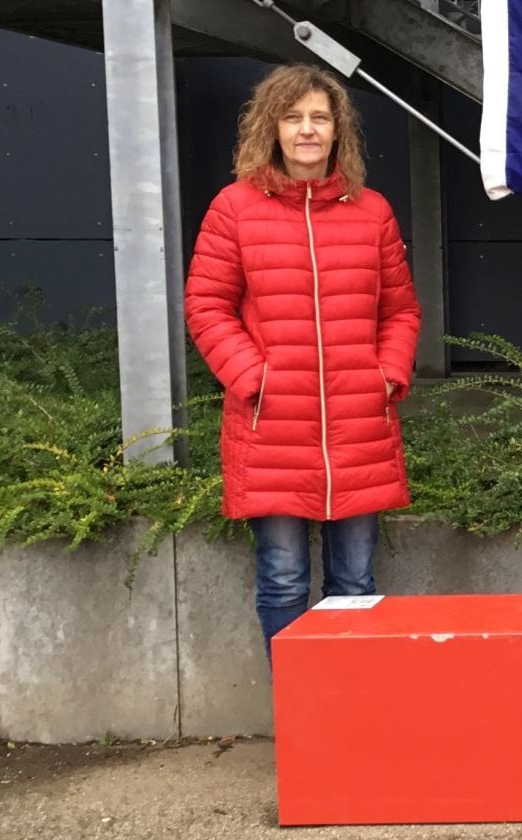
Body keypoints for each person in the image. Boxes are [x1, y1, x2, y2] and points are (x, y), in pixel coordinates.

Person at [185, 63, 421, 660]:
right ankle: (300, 722)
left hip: (359, 428)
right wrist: (253, 378)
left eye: (320, 117)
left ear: (338, 130)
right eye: (293, 118)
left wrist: (386, 376)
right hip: (273, 429)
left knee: (354, 585)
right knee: (284, 580)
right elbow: (207, 306)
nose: (307, 130)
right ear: (273, 128)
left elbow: (401, 312)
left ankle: (349, 721)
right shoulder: (235, 208)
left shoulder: (372, 212)